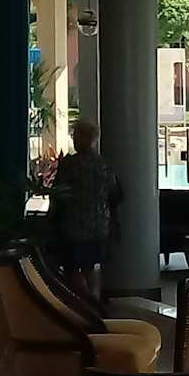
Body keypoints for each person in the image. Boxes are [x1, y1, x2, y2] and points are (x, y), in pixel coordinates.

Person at [45, 120, 120, 296]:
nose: (74, 140)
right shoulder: (103, 165)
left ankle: (84, 300)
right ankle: (94, 298)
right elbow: (115, 194)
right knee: (90, 266)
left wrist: (51, 216)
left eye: (76, 136)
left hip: (72, 226)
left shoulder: (69, 165)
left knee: (70, 267)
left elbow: (58, 193)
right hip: (98, 225)